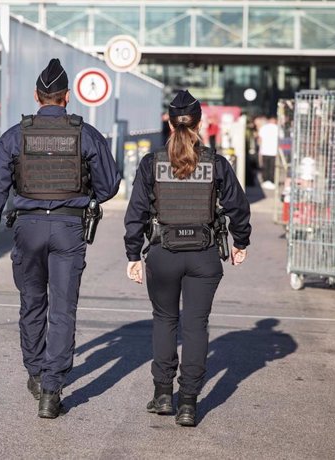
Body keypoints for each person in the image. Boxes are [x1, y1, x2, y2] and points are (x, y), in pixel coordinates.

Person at [0, 58, 121, 419]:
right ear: (68, 97)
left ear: (37, 96)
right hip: (69, 229)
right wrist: (83, 197)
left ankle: (36, 373)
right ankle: (52, 390)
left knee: (32, 303)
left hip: (27, 229)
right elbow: (109, 185)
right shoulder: (85, 134)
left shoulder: (15, 135)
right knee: (63, 309)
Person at [123, 89, 251, 427]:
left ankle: (163, 394)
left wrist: (133, 254)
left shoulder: (152, 162)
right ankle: (189, 404)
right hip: (203, 256)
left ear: (168, 121)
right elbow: (238, 206)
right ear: (199, 123)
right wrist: (241, 242)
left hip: (163, 254)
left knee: (165, 321)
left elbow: (135, 212)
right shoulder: (216, 162)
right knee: (196, 325)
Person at [258, 116, 279, 190]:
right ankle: (271, 181)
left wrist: (260, 149)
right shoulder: (277, 128)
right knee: (272, 167)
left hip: (265, 150)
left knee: (265, 166)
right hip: (273, 150)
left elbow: (260, 139)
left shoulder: (264, 128)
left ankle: (265, 180)